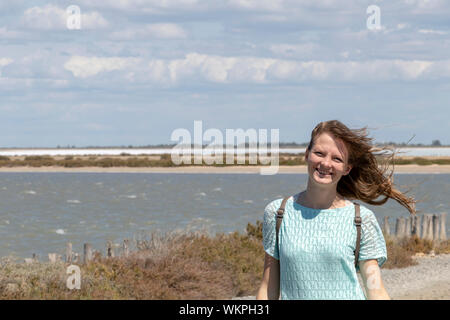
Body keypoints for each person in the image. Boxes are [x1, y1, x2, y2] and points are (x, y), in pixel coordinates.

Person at [256, 120, 416, 300]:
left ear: (347, 168)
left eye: (336, 158)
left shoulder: (361, 219)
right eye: (319, 153)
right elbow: (268, 288)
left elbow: (375, 290)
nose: (326, 163)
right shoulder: (278, 213)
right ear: (307, 154)